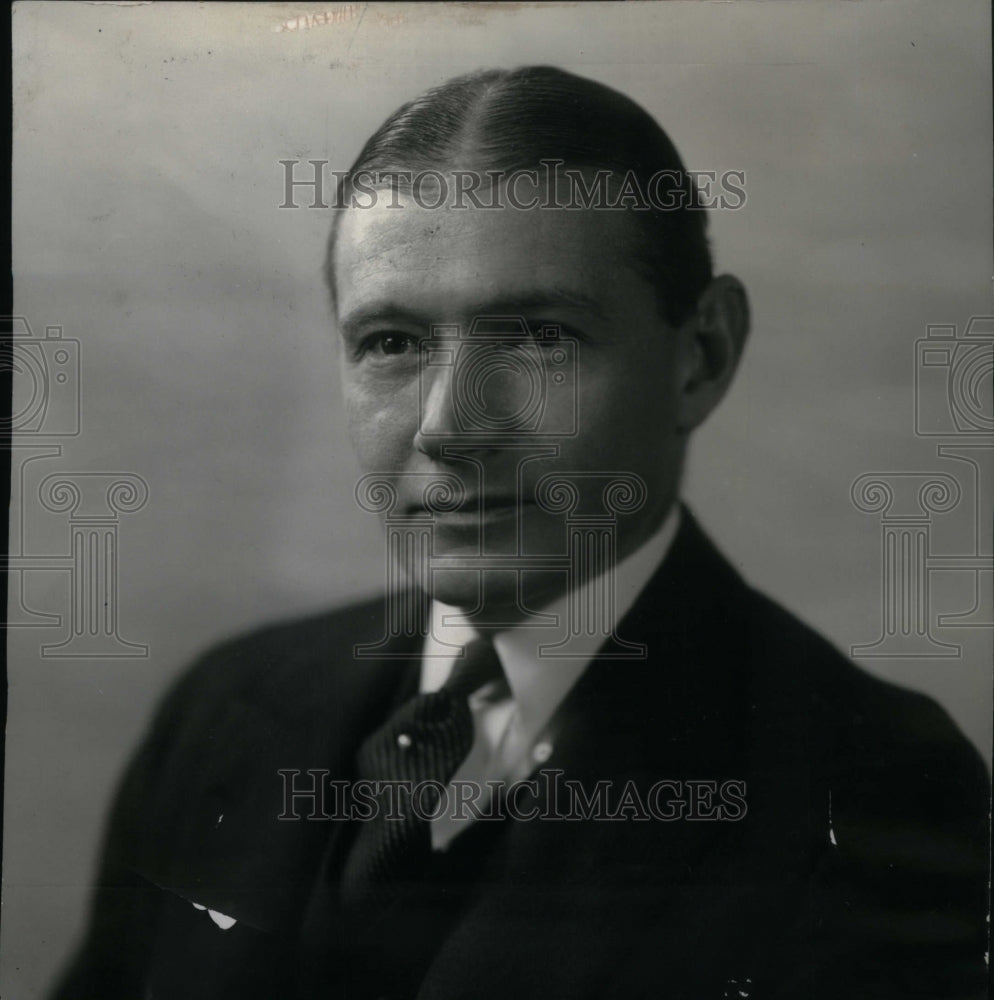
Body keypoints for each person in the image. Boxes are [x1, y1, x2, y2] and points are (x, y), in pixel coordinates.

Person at [51, 66, 989, 1000]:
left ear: (700, 356)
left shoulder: (872, 783)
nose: (449, 427)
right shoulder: (226, 709)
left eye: (539, 336)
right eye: (391, 343)